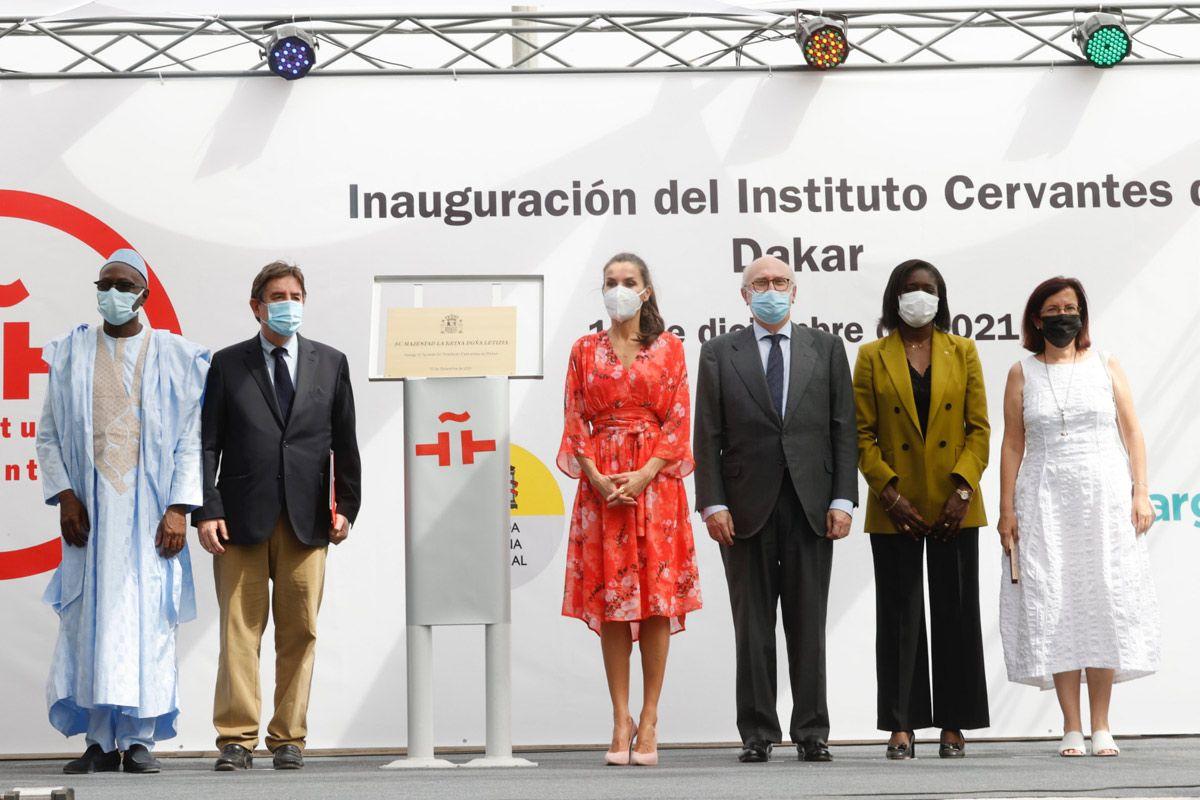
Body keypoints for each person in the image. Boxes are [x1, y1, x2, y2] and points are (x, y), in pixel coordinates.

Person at [36, 249, 209, 775]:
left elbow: (190, 440)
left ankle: (137, 739)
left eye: (122, 284)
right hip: (88, 512)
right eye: (104, 283)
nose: (111, 293)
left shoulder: (177, 356)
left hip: (151, 513)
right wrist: (65, 495)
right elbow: (47, 434)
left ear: (143, 295)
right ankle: (95, 738)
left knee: (145, 618)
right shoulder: (69, 353)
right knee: (88, 620)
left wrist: (179, 508)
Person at [194, 261, 361, 771]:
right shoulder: (227, 364)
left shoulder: (330, 362)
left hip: (308, 520)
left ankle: (289, 736)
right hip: (240, 519)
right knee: (238, 632)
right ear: (257, 305)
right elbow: (207, 444)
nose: (287, 303)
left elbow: (345, 444)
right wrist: (208, 509)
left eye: (295, 294)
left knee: (300, 631)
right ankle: (236, 739)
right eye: (276, 295)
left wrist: (347, 508)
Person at [693, 255, 857, 763]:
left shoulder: (826, 349)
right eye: (760, 283)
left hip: (812, 505)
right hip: (743, 509)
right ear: (745, 295)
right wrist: (712, 501)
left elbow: (843, 429)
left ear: (795, 290)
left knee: (809, 623)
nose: (771, 289)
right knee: (753, 625)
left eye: (780, 281)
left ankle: (812, 730)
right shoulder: (720, 352)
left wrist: (843, 498)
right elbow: (709, 434)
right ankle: (757, 732)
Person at [998, 276, 1160, 758]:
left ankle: (1103, 724)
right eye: (1053, 308)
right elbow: (1012, 442)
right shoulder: (1021, 372)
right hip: (1043, 499)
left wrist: (1141, 492)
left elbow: (1132, 432)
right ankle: (1071, 725)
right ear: (1036, 318)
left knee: (1103, 601)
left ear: (1082, 315)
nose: (1063, 315)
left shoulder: (1106, 364)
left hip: (1104, 496)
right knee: (1058, 604)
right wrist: (1006, 509)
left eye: (1071, 307)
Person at [558, 252, 701, 767]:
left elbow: (679, 419)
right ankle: (620, 718)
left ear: (645, 291)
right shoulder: (582, 349)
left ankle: (651, 714)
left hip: (655, 485)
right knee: (612, 601)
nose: (619, 289)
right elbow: (574, 417)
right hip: (602, 486)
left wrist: (643, 474)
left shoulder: (670, 349)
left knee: (656, 601)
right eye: (610, 282)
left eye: (629, 281)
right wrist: (596, 476)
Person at [853, 260, 990, 760]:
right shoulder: (871, 356)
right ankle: (901, 724)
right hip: (896, 506)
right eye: (910, 289)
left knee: (955, 613)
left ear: (941, 297)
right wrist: (888, 493)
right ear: (894, 297)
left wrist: (963, 489)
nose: (919, 297)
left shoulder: (964, 350)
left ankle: (955, 722)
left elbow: (979, 430)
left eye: (928, 289)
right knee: (900, 614)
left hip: (956, 504)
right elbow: (861, 434)